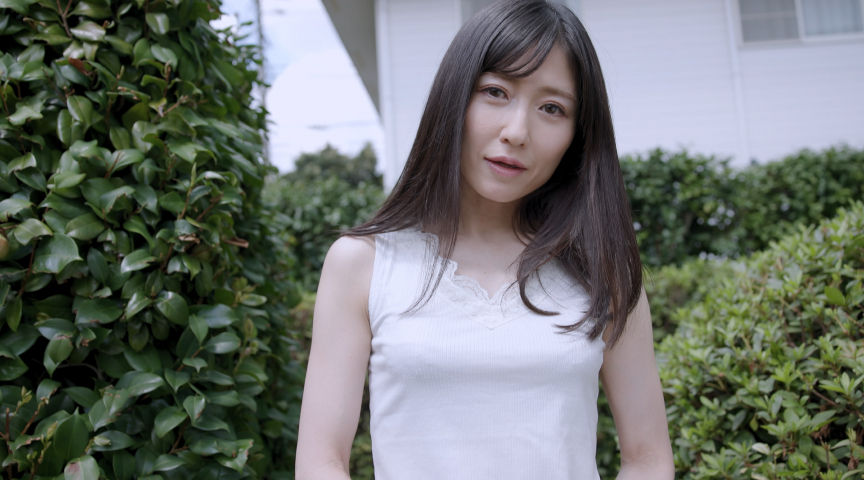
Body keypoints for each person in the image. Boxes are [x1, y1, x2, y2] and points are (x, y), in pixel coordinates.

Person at [295, 1, 674, 479]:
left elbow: (647, 456)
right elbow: (321, 461)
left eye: (552, 108)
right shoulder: (364, 264)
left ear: (578, 136)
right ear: (454, 97)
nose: (517, 132)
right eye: (496, 91)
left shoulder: (605, 273)